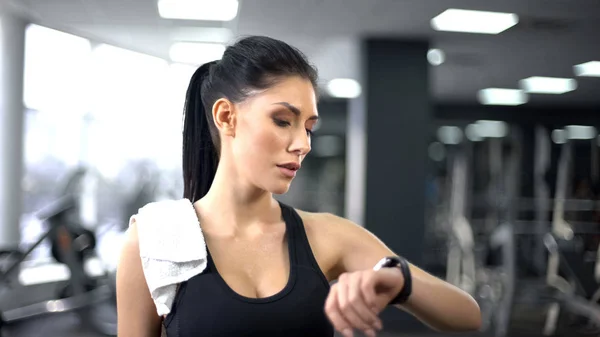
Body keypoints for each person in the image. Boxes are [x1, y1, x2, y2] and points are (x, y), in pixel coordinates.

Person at [116, 35, 482, 337]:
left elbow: (468, 316)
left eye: (308, 127)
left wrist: (400, 281)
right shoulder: (155, 240)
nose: (303, 143)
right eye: (282, 120)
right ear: (227, 117)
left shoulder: (326, 236)